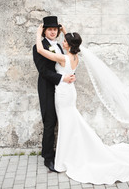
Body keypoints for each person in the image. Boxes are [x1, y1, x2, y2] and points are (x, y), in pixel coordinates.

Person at [36, 23, 129, 185]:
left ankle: (66, 156)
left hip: (63, 93)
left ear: (68, 44)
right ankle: (72, 151)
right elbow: (73, 43)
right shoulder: (75, 57)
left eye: (65, 41)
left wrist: (38, 33)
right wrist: (66, 32)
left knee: (67, 123)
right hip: (70, 91)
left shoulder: (63, 58)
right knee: (71, 121)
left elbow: (40, 50)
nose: (62, 42)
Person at [33, 16, 75, 172]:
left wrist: (65, 31)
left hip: (61, 90)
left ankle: (60, 151)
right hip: (47, 88)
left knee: (61, 120)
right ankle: (48, 158)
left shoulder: (59, 45)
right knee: (50, 122)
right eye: (49, 29)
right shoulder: (38, 46)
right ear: (44, 31)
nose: (52, 32)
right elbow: (43, 71)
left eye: (55, 29)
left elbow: (70, 52)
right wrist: (63, 78)